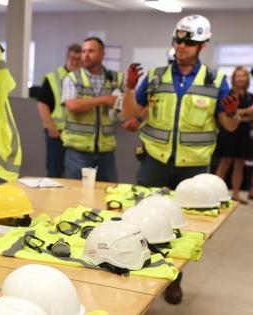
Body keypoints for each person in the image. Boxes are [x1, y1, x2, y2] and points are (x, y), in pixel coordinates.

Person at [122, 14, 240, 304]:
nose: (182, 46)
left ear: (202, 46)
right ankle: (141, 278)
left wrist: (233, 112)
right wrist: (128, 88)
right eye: (178, 40)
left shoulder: (216, 81)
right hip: (154, 162)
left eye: (190, 41)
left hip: (194, 168)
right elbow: (129, 114)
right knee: (142, 220)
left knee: (179, 227)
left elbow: (229, 125)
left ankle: (174, 280)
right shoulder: (154, 76)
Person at [61, 37, 124, 182]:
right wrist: (104, 99)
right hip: (78, 151)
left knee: (108, 194)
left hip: (106, 152)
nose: (86, 55)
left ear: (102, 54)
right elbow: (72, 106)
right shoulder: (72, 78)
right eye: (84, 51)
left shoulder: (116, 79)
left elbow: (125, 108)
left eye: (91, 51)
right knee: (77, 194)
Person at [36, 43, 82, 178]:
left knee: (76, 174)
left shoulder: (85, 79)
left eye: (78, 59)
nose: (74, 62)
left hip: (79, 134)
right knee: (55, 172)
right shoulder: (54, 77)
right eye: (72, 58)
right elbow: (42, 104)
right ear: (67, 57)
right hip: (57, 133)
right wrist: (51, 128)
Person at [214, 66, 253, 204]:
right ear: (234, 78)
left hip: (243, 133)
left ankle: (236, 194)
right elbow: (227, 114)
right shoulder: (228, 94)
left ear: (247, 78)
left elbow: (248, 117)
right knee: (224, 163)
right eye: (238, 75)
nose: (241, 78)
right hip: (228, 132)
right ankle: (215, 193)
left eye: (244, 75)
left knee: (239, 164)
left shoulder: (249, 96)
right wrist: (246, 111)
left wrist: (239, 114)